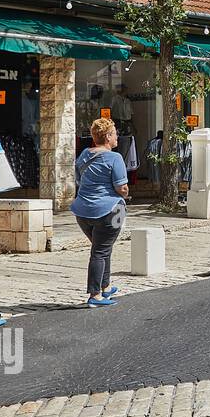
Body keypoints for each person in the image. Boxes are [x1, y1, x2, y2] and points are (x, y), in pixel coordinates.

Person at [72, 116, 129, 307]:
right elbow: (122, 187)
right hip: (109, 211)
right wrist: (126, 193)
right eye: (115, 134)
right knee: (100, 251)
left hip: (82, 212)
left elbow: (79, 178)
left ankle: (105, 287)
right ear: (108, 136)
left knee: (103, 248)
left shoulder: (84, 154)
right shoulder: (115, 158)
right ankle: (95, 295)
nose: (117, 137)